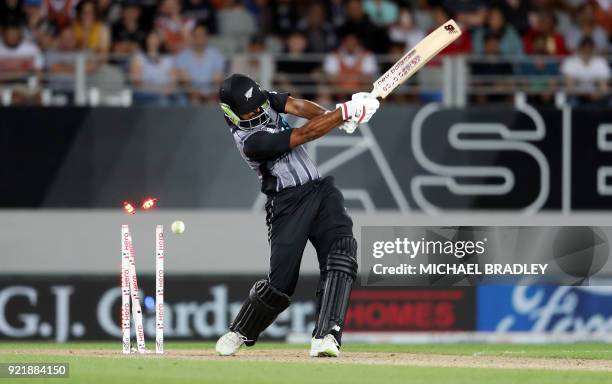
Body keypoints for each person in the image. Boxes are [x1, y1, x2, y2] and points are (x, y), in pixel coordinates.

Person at [214, 73, 380, 357]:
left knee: (341, 255)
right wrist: (344, 113)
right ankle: (241, 330)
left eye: (258, 105)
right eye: (249, 111)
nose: (257, 112)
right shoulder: (250, 142)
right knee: (280, 286)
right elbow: (303, 134)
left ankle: (326, 336)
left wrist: (335, 116)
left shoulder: (260, 98)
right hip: (287, 204)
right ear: (231, 113)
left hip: (319, 191)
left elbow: (298, 107)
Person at [130, 30, 183, 105]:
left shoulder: (168, 57)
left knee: (181, 99)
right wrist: (157, 90)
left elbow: (173, 80)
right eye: (151, 38)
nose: (154, 41)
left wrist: (168, 90)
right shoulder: (139, 56)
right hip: (145, 91)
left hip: (166, 90)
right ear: (146, 39)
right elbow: (137, 81)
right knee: (162, 101)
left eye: (156, 38)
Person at [175, 24, 225, 103]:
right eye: (196, 35)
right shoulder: (183, 56)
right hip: (190, 95)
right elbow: (184, 80)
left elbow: (217, 79)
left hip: (212, 95)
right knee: (194, 101)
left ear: (206, 37)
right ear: (192, 37)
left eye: (202, 35)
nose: (199, 38)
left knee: (214, 102)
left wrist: (212, 95)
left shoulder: (216, 54)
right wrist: (195, 94)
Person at [561, 36, 610, 106]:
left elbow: (604, 86)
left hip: (597, 96)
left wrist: (598, 94)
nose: (587, 51)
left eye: (589, 49)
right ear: (580, 49)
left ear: (593, 49)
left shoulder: (601, 62)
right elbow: (569, 86)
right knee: (571, 100)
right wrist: (584, 94)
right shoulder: (571, 61)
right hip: (576, 96)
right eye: (584, 48)